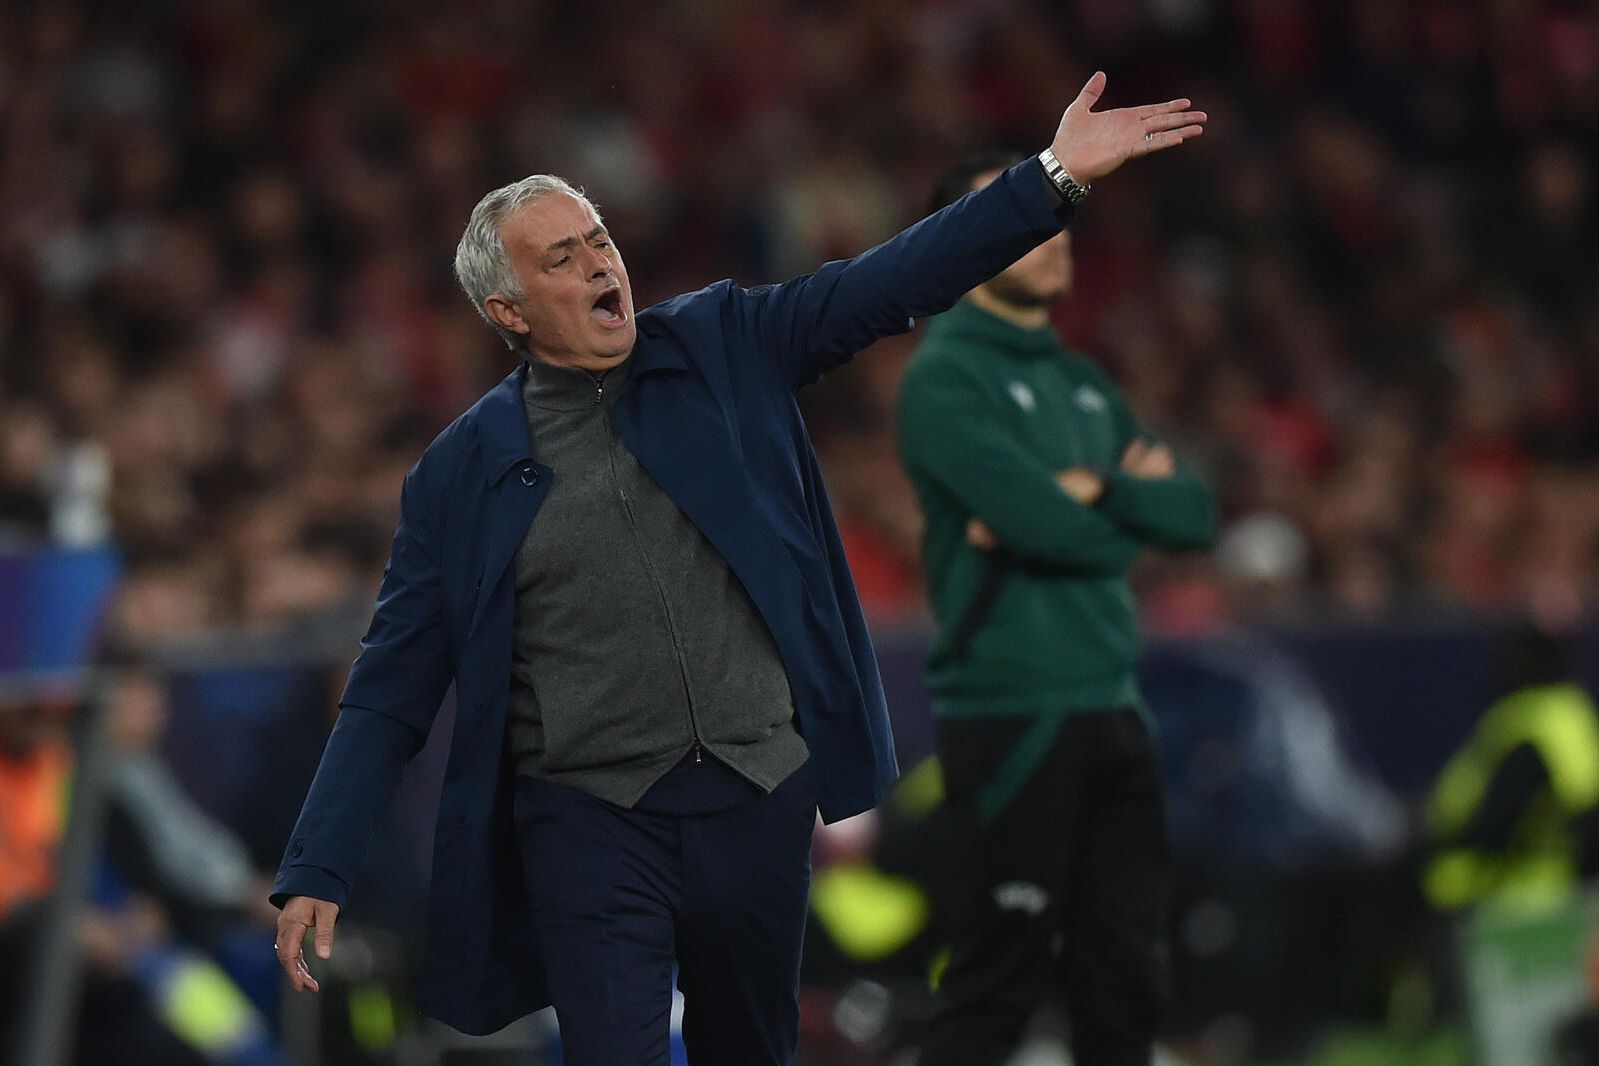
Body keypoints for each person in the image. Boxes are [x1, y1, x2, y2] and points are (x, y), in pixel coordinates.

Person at [271, 73, 1206, 1065]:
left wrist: (1051, 178)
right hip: (591, 823)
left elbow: (889, 281)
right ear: (508, 309)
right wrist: (318, 858)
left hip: (756, 799)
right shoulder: (459, 473)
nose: (600, 264)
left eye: (601, 241)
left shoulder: (722, 343)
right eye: (563, 256)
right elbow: (388, 690)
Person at [896, 151, 1217, 1066]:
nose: (1052, 231)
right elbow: (1053, 531)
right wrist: (1114, 505)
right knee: (999, 974)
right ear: (961, 246)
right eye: (1015, 214)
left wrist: (1083, 494)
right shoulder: (945, 381)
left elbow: (1191, 515)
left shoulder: (1081, 382)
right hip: (1011, 707)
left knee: (1126, 982)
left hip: (1113, 703)